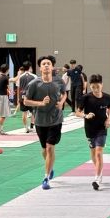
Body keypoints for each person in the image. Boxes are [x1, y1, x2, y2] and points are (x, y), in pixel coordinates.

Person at [24, 55, 67, 190]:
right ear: (40, 68)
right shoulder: (34, 84)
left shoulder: (59, 81)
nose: (46, 65)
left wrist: (61, 102)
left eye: (49, 63)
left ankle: (46, 178)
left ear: (52, 67)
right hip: (40, 120)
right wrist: (41, 103)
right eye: (44, 64)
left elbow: (64, 93)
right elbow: (26, 101)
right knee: (44, 150)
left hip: (56, 119)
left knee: (49, 148)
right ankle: (50, 166)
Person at [77, 74, 110, 191]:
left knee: (98, 152)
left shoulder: (107, 97)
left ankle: (97, 179)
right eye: (93, 87)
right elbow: (77, 112)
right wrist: (85, 115)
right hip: (89, 128)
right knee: (93, 152)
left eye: (98, 86)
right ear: (90, 86)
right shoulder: (86, 98)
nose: (96, 89)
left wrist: (109, 119)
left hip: (102, 128)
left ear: (102, 85)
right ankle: (99, 170)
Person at [17, 62, 37, 133]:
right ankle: (32, 126)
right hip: (31, 97)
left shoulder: (20, 77)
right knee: (34, 112)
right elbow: (36, 87)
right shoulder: (34, 76)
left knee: (24, 113)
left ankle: (26, 128)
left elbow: (18, 88)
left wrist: (18, 98)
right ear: (30, 67)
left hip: (22, 97)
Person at [0, 64, 11, 134]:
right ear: (7, 70)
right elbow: (13, 80)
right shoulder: (6, 77)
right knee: (3, 115)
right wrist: (19, 75)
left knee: (1, 113)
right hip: (2, 97)